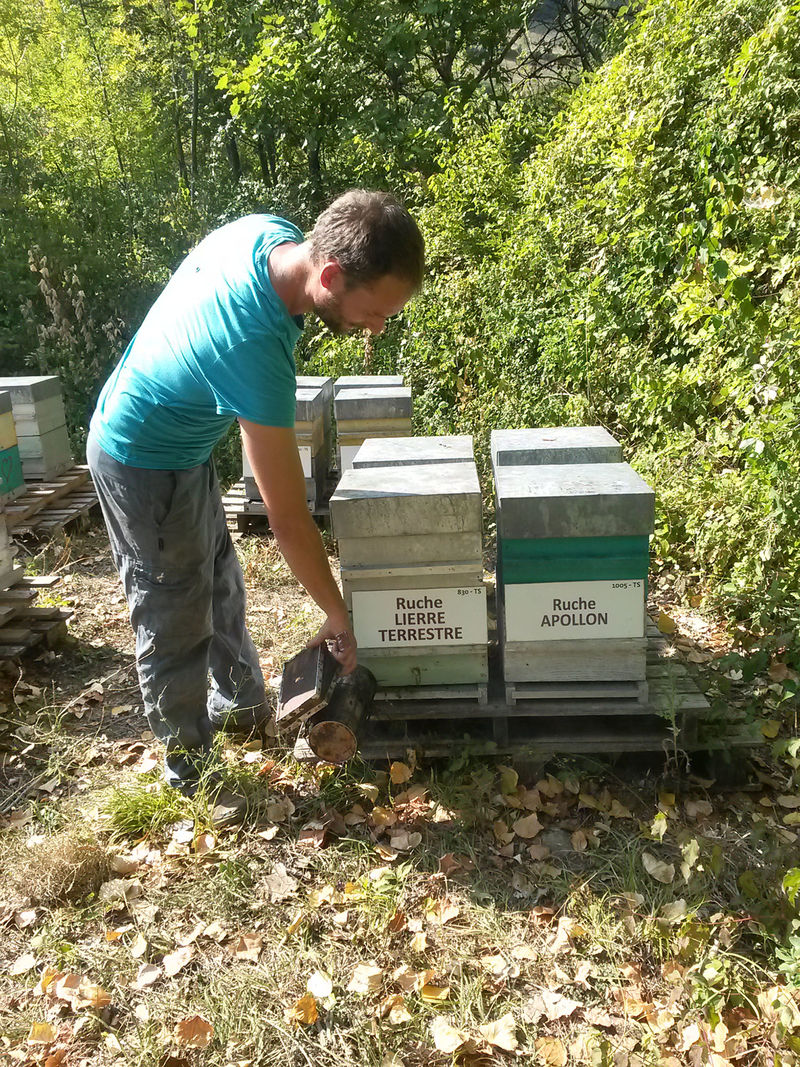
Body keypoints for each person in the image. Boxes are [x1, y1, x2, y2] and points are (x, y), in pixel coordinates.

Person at [86, 189, 425, 823]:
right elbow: (291, 523)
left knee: (217, 577)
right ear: (328, 276)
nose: (378, 328)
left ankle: (239, 706)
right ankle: (188, 769)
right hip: (139, 457)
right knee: (173, 607)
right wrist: (337, 615)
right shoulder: (253, 350)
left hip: (182, 448)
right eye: (375, 311)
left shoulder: (269, 233)